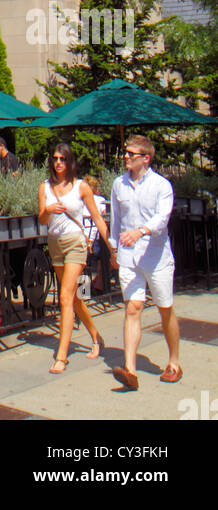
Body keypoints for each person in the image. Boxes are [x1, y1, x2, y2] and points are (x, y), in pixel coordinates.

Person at [109, 136, 181, 389]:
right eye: (125, 152)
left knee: (165, 309)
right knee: (132, 308)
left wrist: (140, 231)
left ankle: (174, 362)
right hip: (128, 257)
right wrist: (113, 248)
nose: (125, 156)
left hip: (156, 257)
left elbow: (162, 218)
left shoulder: (162, 185)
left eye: (131, 153)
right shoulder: (119, 184)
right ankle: (130, 371)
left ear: (145, 158)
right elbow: (116, 220)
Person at [38, 142, 112, 374]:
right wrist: (48, 210)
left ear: (70, 162)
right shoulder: (44, 187)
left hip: (75, 243)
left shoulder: (81, 187)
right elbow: (41, 219)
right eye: (55, 158)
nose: (58, 162)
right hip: (55, 244)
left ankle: (62, 355)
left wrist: (112, 246)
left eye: (63, 159)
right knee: (73, 299)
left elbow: (98, 219)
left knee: (64, 297)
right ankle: (96, 336)